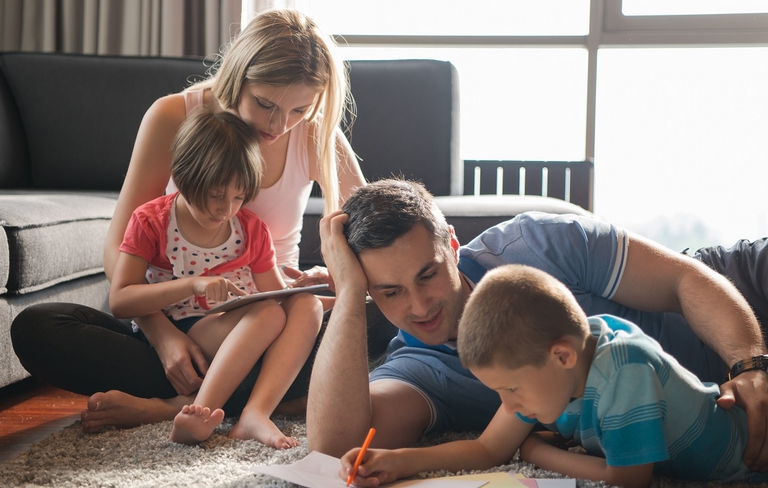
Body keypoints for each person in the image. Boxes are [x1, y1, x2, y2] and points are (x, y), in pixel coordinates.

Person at [10, 8, 366, 433]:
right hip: (175, 323)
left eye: (298, 110)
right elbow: (119, 251)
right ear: (237, 76)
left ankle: (167, 405)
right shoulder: (173, 117)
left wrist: (332, 280)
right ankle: (261, 398)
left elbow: (371, 231)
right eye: (265, 103)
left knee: (370, 318)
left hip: (272, 324)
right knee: (38, 328)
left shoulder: (316, 133)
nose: (278, 125)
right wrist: (164, 338)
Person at [307, 178, 768, 474]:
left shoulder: (536, 243)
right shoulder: (418, 369)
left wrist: (748, 362)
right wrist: (348, 295)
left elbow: (684, 278)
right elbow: (334, 448)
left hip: (742, 294)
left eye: (427, 274)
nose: (420, 304)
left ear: (451, 244)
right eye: (389, 291)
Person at [338, 264, 768, 487]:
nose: (506, 404)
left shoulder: (624, 368)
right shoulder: (550, 364)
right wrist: (395, 461)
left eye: (510, 389)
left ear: (561, 355)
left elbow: (629, 479)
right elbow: (488, 448)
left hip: (748, 455)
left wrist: (535, 453)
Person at [111, 108, 323, 447]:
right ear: (184, 176)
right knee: (268, 313)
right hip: (185, 330)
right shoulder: (152, 221)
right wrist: (193, 285)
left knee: (306, 306)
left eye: (238, 197)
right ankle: (196, 411)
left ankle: (255, 413)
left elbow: (277, 295)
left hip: (242, 329)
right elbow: (120, 300)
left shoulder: (251, 229)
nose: (226, 209)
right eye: (216, 195)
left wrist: (333, 293)